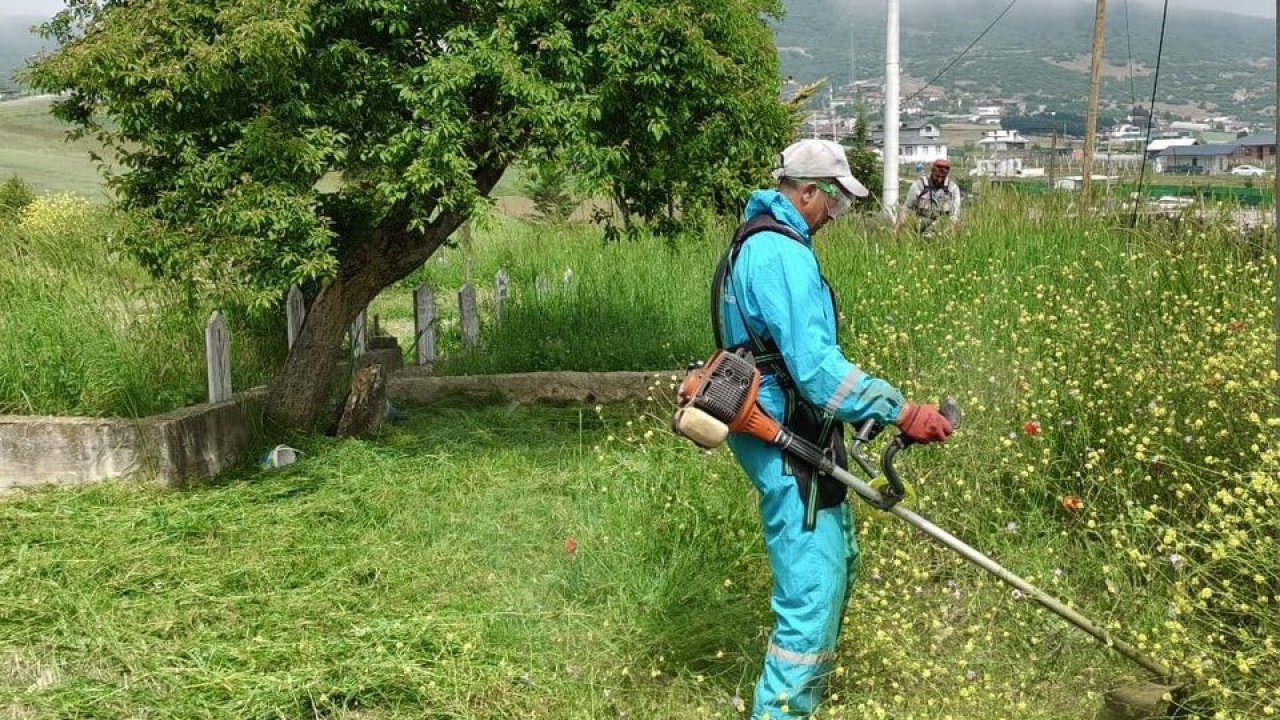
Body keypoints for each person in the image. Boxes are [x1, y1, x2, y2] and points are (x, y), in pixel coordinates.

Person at [712, 138, 955, 719]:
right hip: (781, 435)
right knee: (812, 596)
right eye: (836, 202)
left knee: (840, 560)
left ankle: (806, 704)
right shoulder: (779, 254)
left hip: (799, 433)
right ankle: (784, 710)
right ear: (809, 191)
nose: (837, 214)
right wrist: (899, 410)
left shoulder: (769, 239)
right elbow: (818, 372)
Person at [898, 157, 962, 235]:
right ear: (932, 172)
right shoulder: (919, 185)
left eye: (942, 177)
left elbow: (954, 215)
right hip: (920, 224)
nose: (939, 180)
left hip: (942, 226)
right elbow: (907, 208)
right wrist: (898, 228)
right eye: (937, 176)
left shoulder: (952, 188)